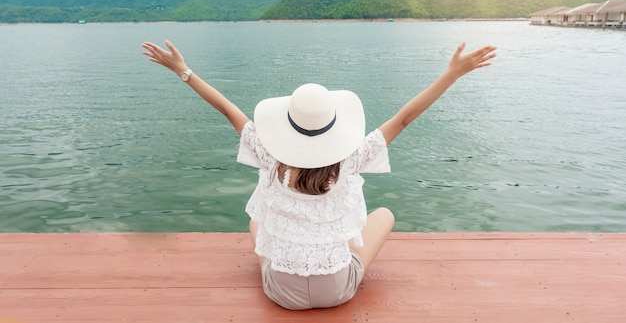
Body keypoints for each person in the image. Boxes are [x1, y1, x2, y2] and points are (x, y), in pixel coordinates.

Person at [141, 39, 497, 310]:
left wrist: (182, 71)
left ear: (287, 125)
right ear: (335, 125)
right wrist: (452, 73)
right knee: (384, 215)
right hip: (339, 291)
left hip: (281, 293)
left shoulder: (268, 155)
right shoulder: (354, 157)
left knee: (256, 223)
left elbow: (226, 108)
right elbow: (404, 118)